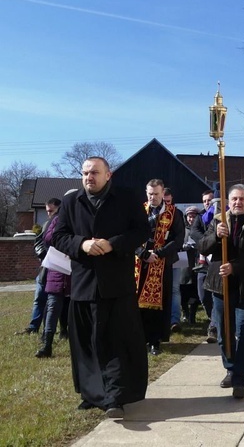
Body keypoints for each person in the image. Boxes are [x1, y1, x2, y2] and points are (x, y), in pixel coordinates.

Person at [53, 156, 150, 419]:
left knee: (115, 341)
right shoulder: (72, 201)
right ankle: (91, 393)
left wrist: (113, 244)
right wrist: (82, 244)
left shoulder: (127, 198)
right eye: (85, 173)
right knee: (87, 343)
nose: (88, 177)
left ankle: (115, 397)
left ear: (109, 175)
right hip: (84, 284)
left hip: (117, 285)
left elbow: (142, 232)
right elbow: (58, 236)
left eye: (94, 172)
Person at [198, 184, 244, 398]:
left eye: (242, 199)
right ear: (229, 202)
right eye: (234, 199)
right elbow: (202, 247)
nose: (238, 202)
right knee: (224, 332)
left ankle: (240, 378)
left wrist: (236, 267)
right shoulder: (218, 222)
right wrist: (215, 237)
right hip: (221, 287)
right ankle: (230, 368)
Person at [135, 179, 185, 355]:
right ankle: (138, 339)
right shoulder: (139, 210)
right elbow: (128, 234)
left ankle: (155, 340)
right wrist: (142, 253)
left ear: (163, 193)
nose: (153, 197)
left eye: (156, 194)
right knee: (137, 303)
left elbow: (178, 238)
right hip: (139, 264)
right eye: (150, 194)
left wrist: (160, 253)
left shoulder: (173, 213)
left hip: (161, 263)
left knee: (157, 305)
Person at [15, 198, 61, 336]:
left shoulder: (65, 223)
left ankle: (58, 331)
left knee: (54, 303)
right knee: (39, 298)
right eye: (47, 211)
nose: (49, 214)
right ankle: (33, 326)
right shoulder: (47, 224)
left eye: (51, 211)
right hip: (45, 267)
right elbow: (38, 241)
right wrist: (42, 254)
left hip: (59, 268)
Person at [35, 199, 71, 358]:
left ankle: (72, 336)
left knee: (73, 308)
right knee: (52, 306)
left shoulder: (81, 217)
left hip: (74, 271)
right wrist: (66, 242)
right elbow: (48, 237)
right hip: (57, 268)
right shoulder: (57, 219)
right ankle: (47, 344)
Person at [190, 189, 218, 343]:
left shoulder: (221, 215)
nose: (208, 203)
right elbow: (194, 232)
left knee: (216, 294)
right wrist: (209, 242)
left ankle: (213, 328)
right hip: (203, 261)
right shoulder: (200, 217)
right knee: (203, 294)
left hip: (217, 261)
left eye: (210, 200)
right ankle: (212, 316)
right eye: (205, 200)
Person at [163, 187, 185, 332]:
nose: (166, 204)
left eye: (168, 201)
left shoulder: (176, 213)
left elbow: (179, 237)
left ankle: (174, 320)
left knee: (174, 288)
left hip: (174, 255)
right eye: (164, 202)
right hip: (154, 257)